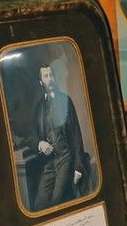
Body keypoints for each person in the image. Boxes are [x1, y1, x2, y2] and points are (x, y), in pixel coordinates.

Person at [29, 56, 91, 210]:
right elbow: (32, 136)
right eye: (45, 76)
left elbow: (76, 135)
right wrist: (40, 144)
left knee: (57, 200)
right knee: (39, 204)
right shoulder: (38, 107)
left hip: (65, 158)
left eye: (51, 75)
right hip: (48, 162)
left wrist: (78, 167)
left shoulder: (65, 100)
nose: (49, 79)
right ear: (40, 82)